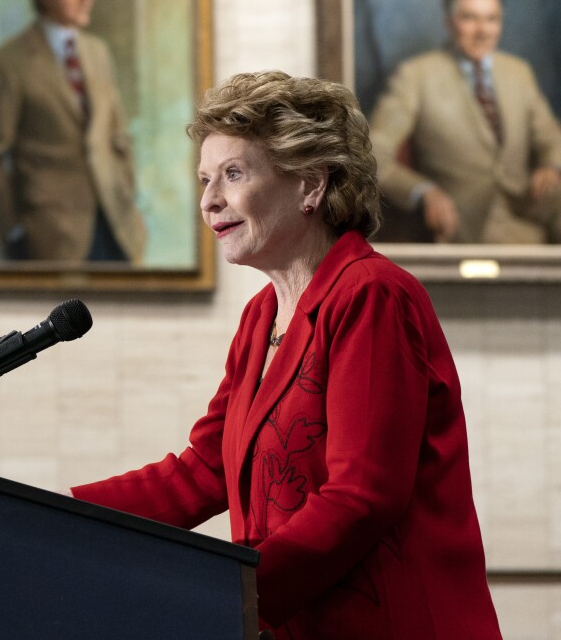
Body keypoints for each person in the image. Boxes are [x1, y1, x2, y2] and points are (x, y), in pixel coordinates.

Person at [69, 71, 501, 637]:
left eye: (232, 174)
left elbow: (363, 494)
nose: (208, 201)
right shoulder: (261, 318)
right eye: (204, 179)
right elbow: (204, 472)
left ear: (310, 186)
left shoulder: (371, 295)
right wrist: (55, 515)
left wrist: (234, 593)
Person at [0, 0, 146, 263]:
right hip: (51, 236)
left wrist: (126, 196)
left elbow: (117, 134)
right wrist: (14, 230)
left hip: (116, 228)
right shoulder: (8, 63)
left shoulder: (97, 52)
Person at [369, 0, 561, 244]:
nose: (483, 31)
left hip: (528, 215)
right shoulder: (416, 76)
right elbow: (374, 154)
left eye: (492, 19)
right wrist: (425, 191)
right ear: (449, 22)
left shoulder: (519, 72)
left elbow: (551, 138)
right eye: (469, 18)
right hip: (460, 227)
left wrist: (551, 166)